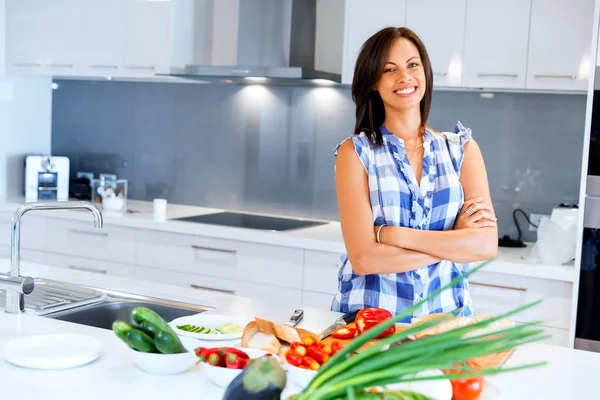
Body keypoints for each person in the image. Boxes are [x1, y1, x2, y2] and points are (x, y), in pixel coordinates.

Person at [331, 27, 498, 322]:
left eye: (412, 65)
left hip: (445, 324)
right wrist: (455, 243)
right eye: (389, 69)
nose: (404, 77)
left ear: (425, 72)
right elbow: (364, 259)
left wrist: (392, 235)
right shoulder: (355, 153)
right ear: (373, 82)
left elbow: (485, 245)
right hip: (371, 325)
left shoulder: (462, 150)